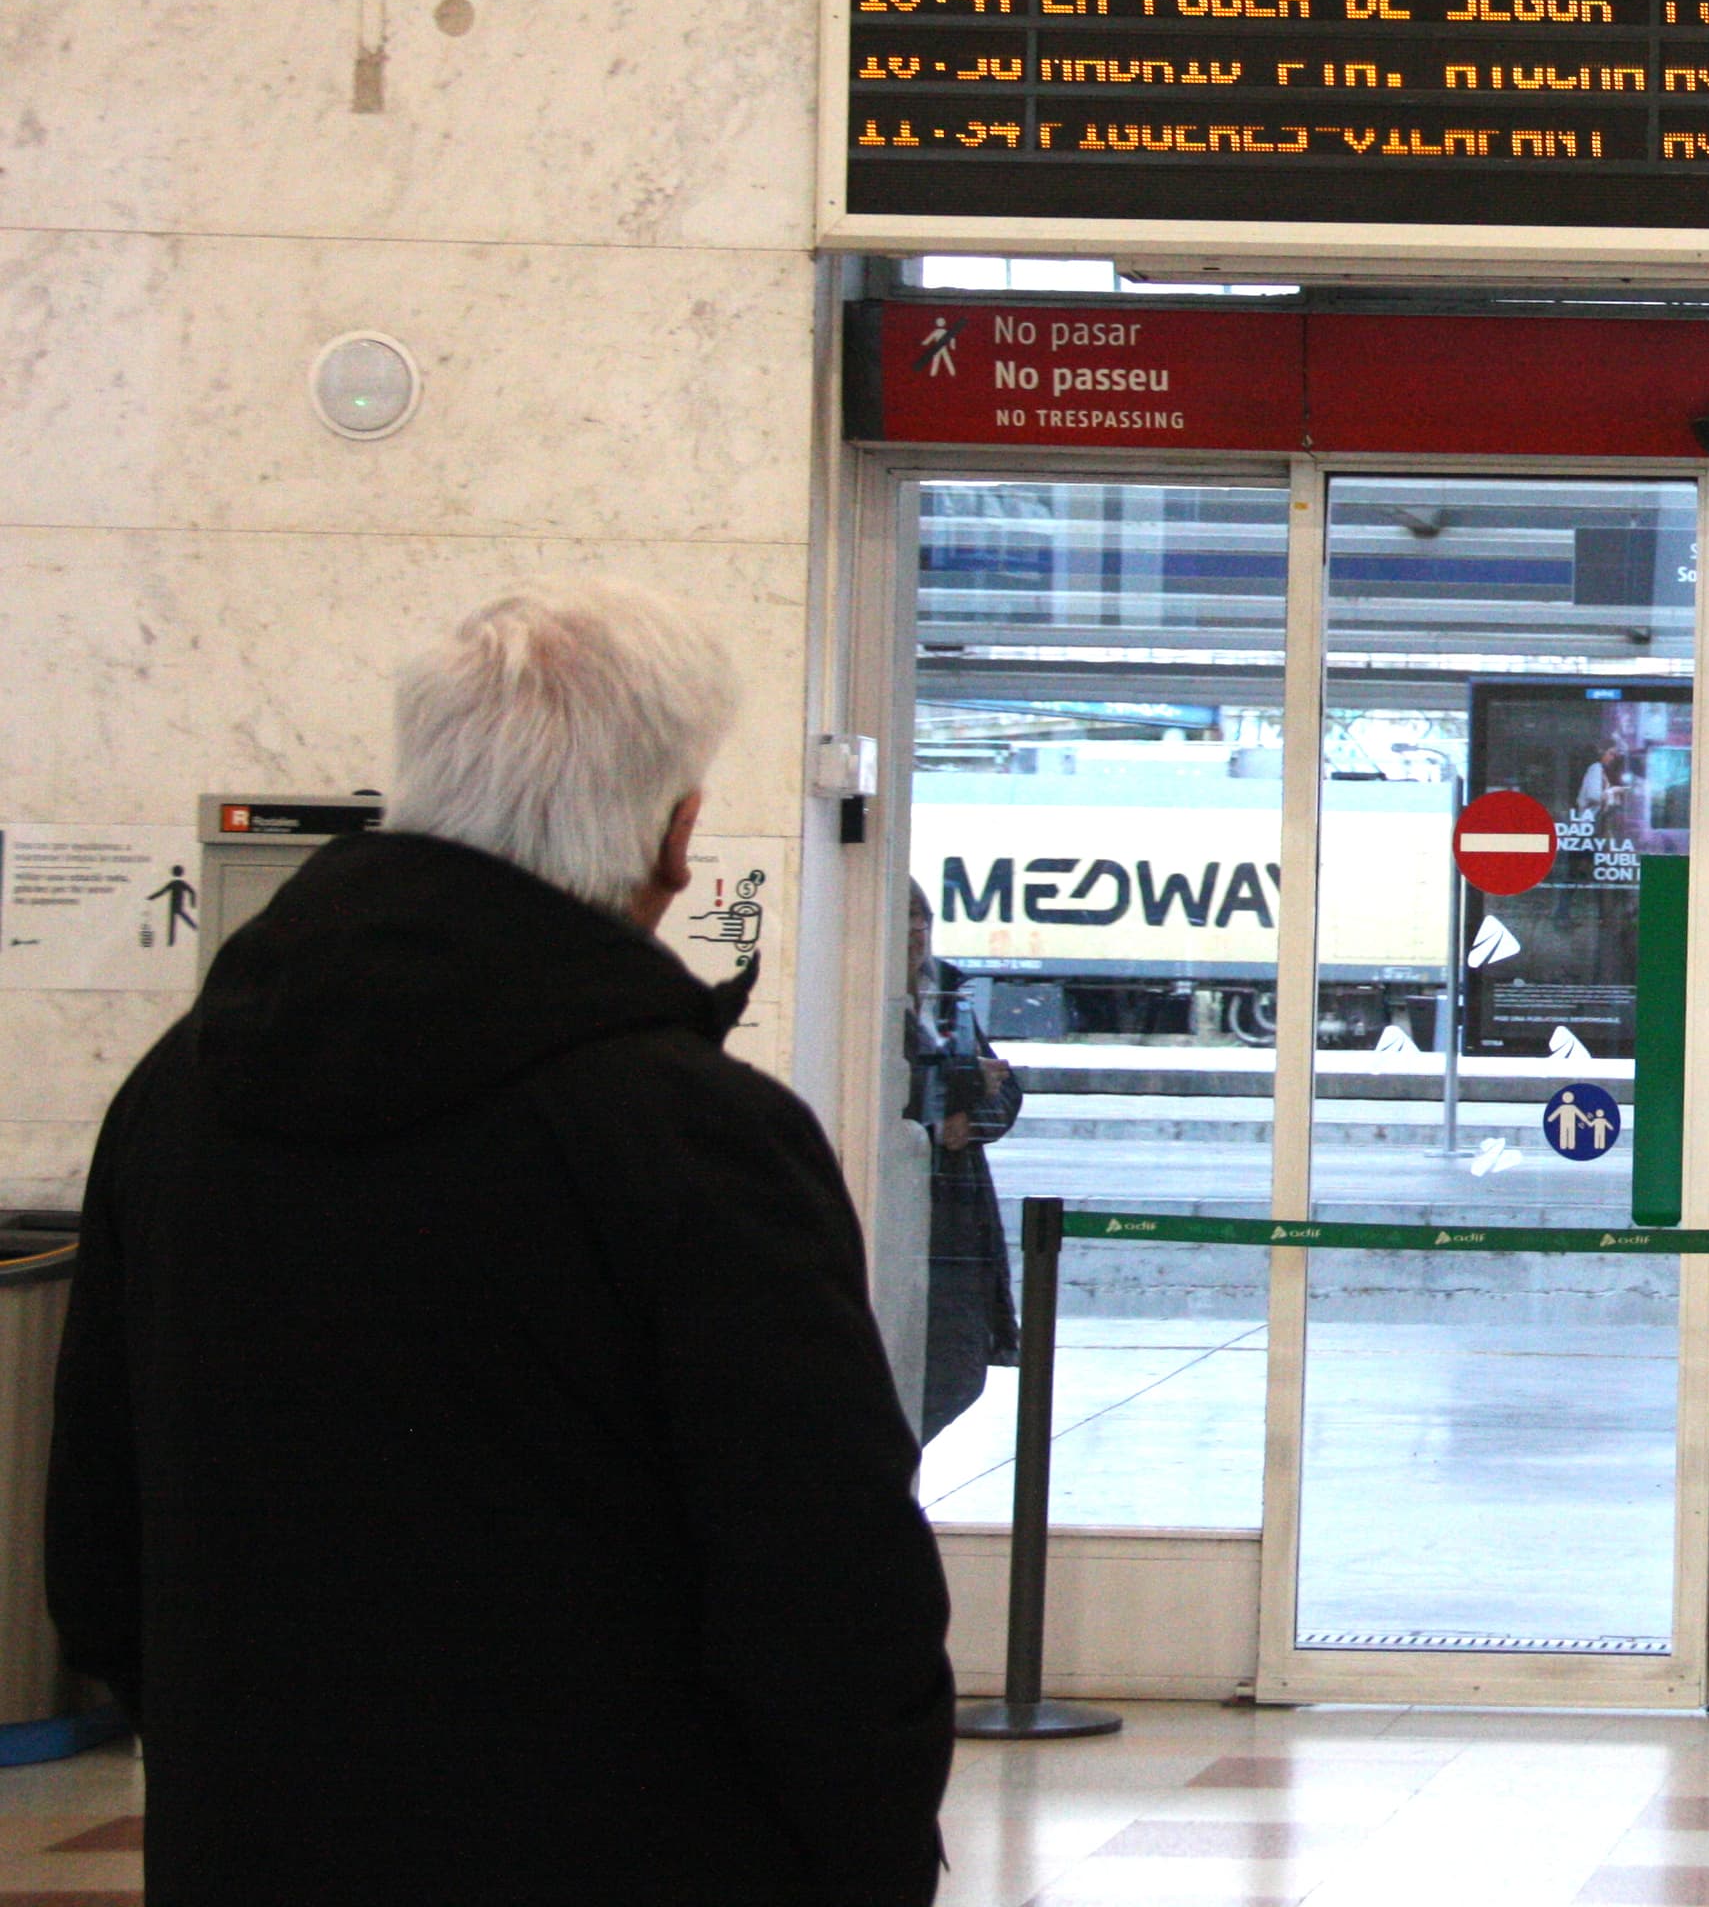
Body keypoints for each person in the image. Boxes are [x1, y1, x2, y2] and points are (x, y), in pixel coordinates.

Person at [48, 580, 955, 1906]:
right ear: (674, 835)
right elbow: (824, 1582)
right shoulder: (693, 1134)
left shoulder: (178, 1097)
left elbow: (98, 1551)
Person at [902, 883, 1025, 1442]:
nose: (916, 932)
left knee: (959, 1368)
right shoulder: (862, 996)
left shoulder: (950, 989)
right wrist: (968, 1081)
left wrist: (970, 1120)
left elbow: (1007, 1087)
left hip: (958, 1208)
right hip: (901, 1200)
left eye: (923, 918)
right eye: (904, 919)